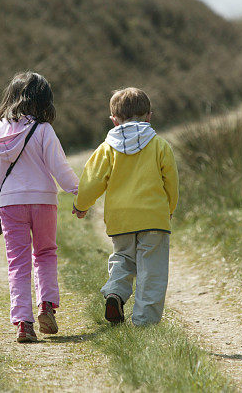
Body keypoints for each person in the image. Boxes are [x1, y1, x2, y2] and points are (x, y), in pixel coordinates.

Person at [0, 72, 78, 343]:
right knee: (45, 253)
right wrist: (80, 193)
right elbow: (60, 169)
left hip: (10, 203)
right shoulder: (43, 130)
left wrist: (3, 185)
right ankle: (46, 306)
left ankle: (23, 323)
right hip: (43, 200)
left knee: (17, 263)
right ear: (45, 101)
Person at [72, 87, 179, 326]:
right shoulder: (160, 146)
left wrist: (81, 205)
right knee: (152, 272)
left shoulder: (106, 148)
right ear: (149, 115)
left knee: (122, 259)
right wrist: (169, 209)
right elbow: (171, 182)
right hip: (154, 218)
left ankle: (115, 293)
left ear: (113, 120)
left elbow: (92, 180)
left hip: (121, 219)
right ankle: (145, 323)